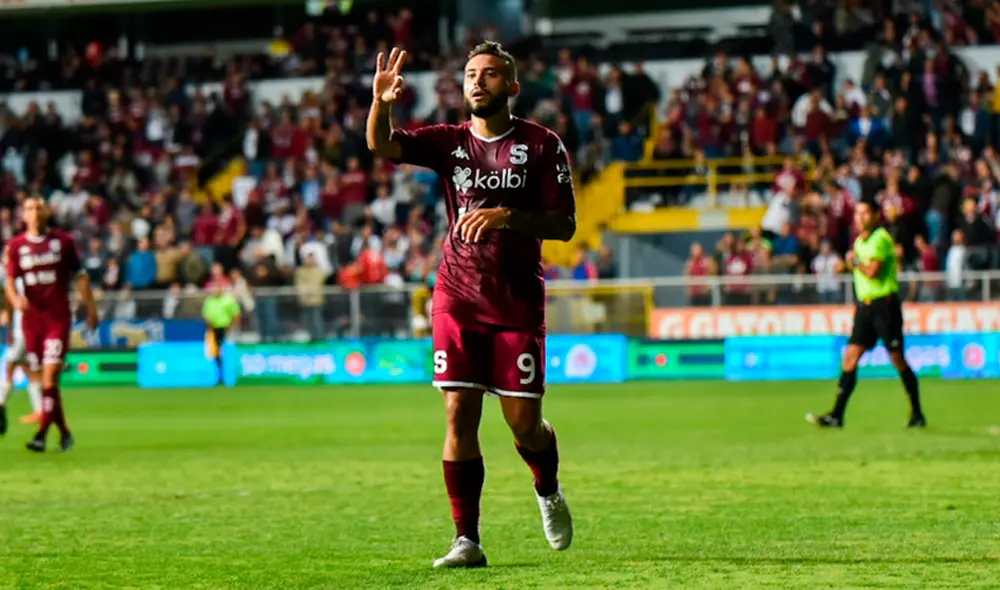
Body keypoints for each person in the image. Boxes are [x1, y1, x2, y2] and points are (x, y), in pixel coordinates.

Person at [366, 43, 576, 568]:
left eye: (489, 74)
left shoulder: (542, 145)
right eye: (470, 75)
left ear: (512, 86)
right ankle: (467, 540)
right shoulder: (449, 142)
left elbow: (565, 224)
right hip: (457, 295)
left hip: (516, 301)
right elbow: (381, 144)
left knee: (524, 423)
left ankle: (547, 488)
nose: (477, 82)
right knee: (459, 411)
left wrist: (507, 215)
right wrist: (381, 104)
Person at [807, 200, 926, 429]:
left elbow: (872, 271)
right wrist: (848, 266)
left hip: (884, 306)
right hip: (865, 307)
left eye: (865, 213)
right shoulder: (859, 241)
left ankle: (917, 413)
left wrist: (853, 262)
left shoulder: (880, 238)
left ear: (875, 216)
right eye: (857, 213)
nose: (860, 218)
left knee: (897, 359)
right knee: (850, 357)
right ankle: (836, 415)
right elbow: (861, 268)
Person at [6, 197, 99, 452]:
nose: (35, 212)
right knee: (46, 383)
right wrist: (15, 299)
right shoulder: (16, 246)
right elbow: (10, 282)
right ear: (23, 216)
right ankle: (65, 433)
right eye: (29, 208)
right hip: (32, 321)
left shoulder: (63, 242)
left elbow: (80, 275)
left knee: (49, 376)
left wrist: (91, 308)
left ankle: (41, 435)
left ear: (47, 212)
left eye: (39, 207)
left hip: (57, 318)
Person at [0, 245, 44, 434]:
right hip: (22, 329)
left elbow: (9, 298)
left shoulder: (18, 276)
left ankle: (1, 404)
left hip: (25, 330)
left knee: (10, 366)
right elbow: (9, 300)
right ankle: (40, 411)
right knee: (28, 369)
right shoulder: (16, 275)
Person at [202, 281, 241, 386]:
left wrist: (231, 326)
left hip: (226, 329)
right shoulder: (209, 301)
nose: (215, 290)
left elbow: (236, 314)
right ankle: (220, 376)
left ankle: (230, 375)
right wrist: (209, 323)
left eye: (217, 288)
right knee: (215, 352)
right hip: (213, 329)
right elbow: (206, 315)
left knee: (225, 351)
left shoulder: (228, 300)